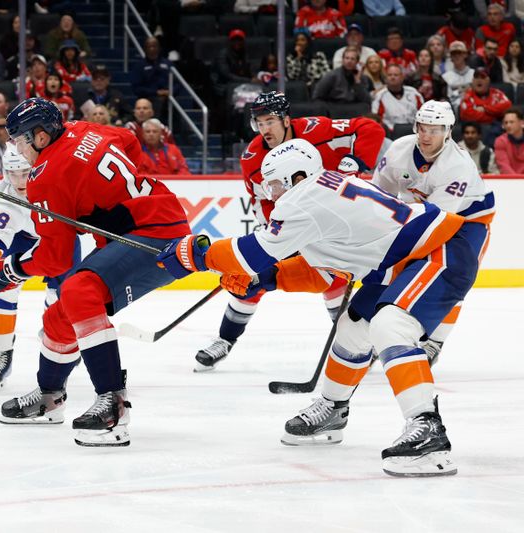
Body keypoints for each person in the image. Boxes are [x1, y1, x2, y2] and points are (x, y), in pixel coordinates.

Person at [157, 137, 484, 477]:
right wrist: (263, 280)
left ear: (295, 177)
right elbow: (322, 272)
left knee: (390, 325)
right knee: (353, 326)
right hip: (410, 258)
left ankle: (427, 430)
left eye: (272, 184)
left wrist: (197, 256)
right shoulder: (324, 193)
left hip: (441, 251)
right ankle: (333, 409)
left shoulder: (304, 198)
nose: (269, 194)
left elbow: (252, 253)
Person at [0, 97, 190, 446]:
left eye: (21, 140)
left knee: (78, 290)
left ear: (41, 137)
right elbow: (129, 141)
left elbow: (54, 260)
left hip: (153, 233)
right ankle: (49, 397)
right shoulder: (82, 129)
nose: (19, 150)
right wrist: (110, 197)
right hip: (151, 219)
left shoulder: (46, 179)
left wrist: (8, 271)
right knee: (61, 316)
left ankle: (112, 405)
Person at [192, 91, 385, 371]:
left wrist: (357, 162)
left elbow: (369, 128)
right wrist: (279, 234)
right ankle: (225, 339)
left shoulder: (316, 129)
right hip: (297, 219)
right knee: (251, 276)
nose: (264, 130)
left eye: (270, 121)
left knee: (334, 280)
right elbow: (261, 201)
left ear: (286, 119)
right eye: (259, 123)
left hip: (336, 218)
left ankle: (356, 345)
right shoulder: (252, 159)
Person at [370, 100, 495, 367]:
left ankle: (434, 342)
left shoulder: (457, 165)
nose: (426, 135)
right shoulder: (398, 149)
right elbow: (378, 195)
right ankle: (372, 334)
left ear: (448, 131)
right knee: (390, 267)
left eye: (435, 129)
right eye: (422, 127)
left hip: (469, 220)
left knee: (452, 277)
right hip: (423, 214)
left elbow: (435, 221)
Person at [0, 144, 67, 393]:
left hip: (60, 239)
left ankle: (54, 337)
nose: (19, 181)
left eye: (24, 172)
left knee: (62, 296)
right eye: (12, 173)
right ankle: (2, 354)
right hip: (26, 240)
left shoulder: (57, 181)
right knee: (3, 288)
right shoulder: (6, 201)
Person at [459, 69, 511, 136]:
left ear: (488, 81)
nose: (479, 80)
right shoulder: (467, 96)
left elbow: (507, 106)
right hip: (474, 132)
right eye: (476, 77)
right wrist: (495, 115)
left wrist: (485, 108)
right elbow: (469, 116)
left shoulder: (496, 93)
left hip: (497, 130)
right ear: (472, 81)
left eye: (482, 77)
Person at [373, 64, 424, 131]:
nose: (392, 77)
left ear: (402, 77)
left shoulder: (413, 93)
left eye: (395, 75)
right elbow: (377, 119)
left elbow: (423, 114)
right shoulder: (380, 96)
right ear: (386, 78)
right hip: (391, 133)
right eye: (389, 75)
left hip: (414, 130)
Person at [130, 37, 171, 118]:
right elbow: (136, 88)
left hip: (168, 97)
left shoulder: (168, 64)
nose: (152, 49)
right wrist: (156, 92)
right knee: (156, 103)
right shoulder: (139, 66)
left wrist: (170, 91)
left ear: (159, 48)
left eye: (154, 46)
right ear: (145, 49)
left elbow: (177, 83)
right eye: (149, 46)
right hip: (148, 98)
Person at [443, 40, 474, 108]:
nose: (457, 56)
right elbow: (447, 98)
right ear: (450, 57)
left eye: (459, 53)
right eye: (454, 54)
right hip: (454, 108)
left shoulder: (474, 74)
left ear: (465, 54)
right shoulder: (445, 77)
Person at [494, 107, 524, 173]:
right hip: (510, 180)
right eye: (506, 122)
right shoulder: (500, 141)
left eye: (511, 122)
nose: (508, 125)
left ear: (521, 123)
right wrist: (516, 181)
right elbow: (504, 166)